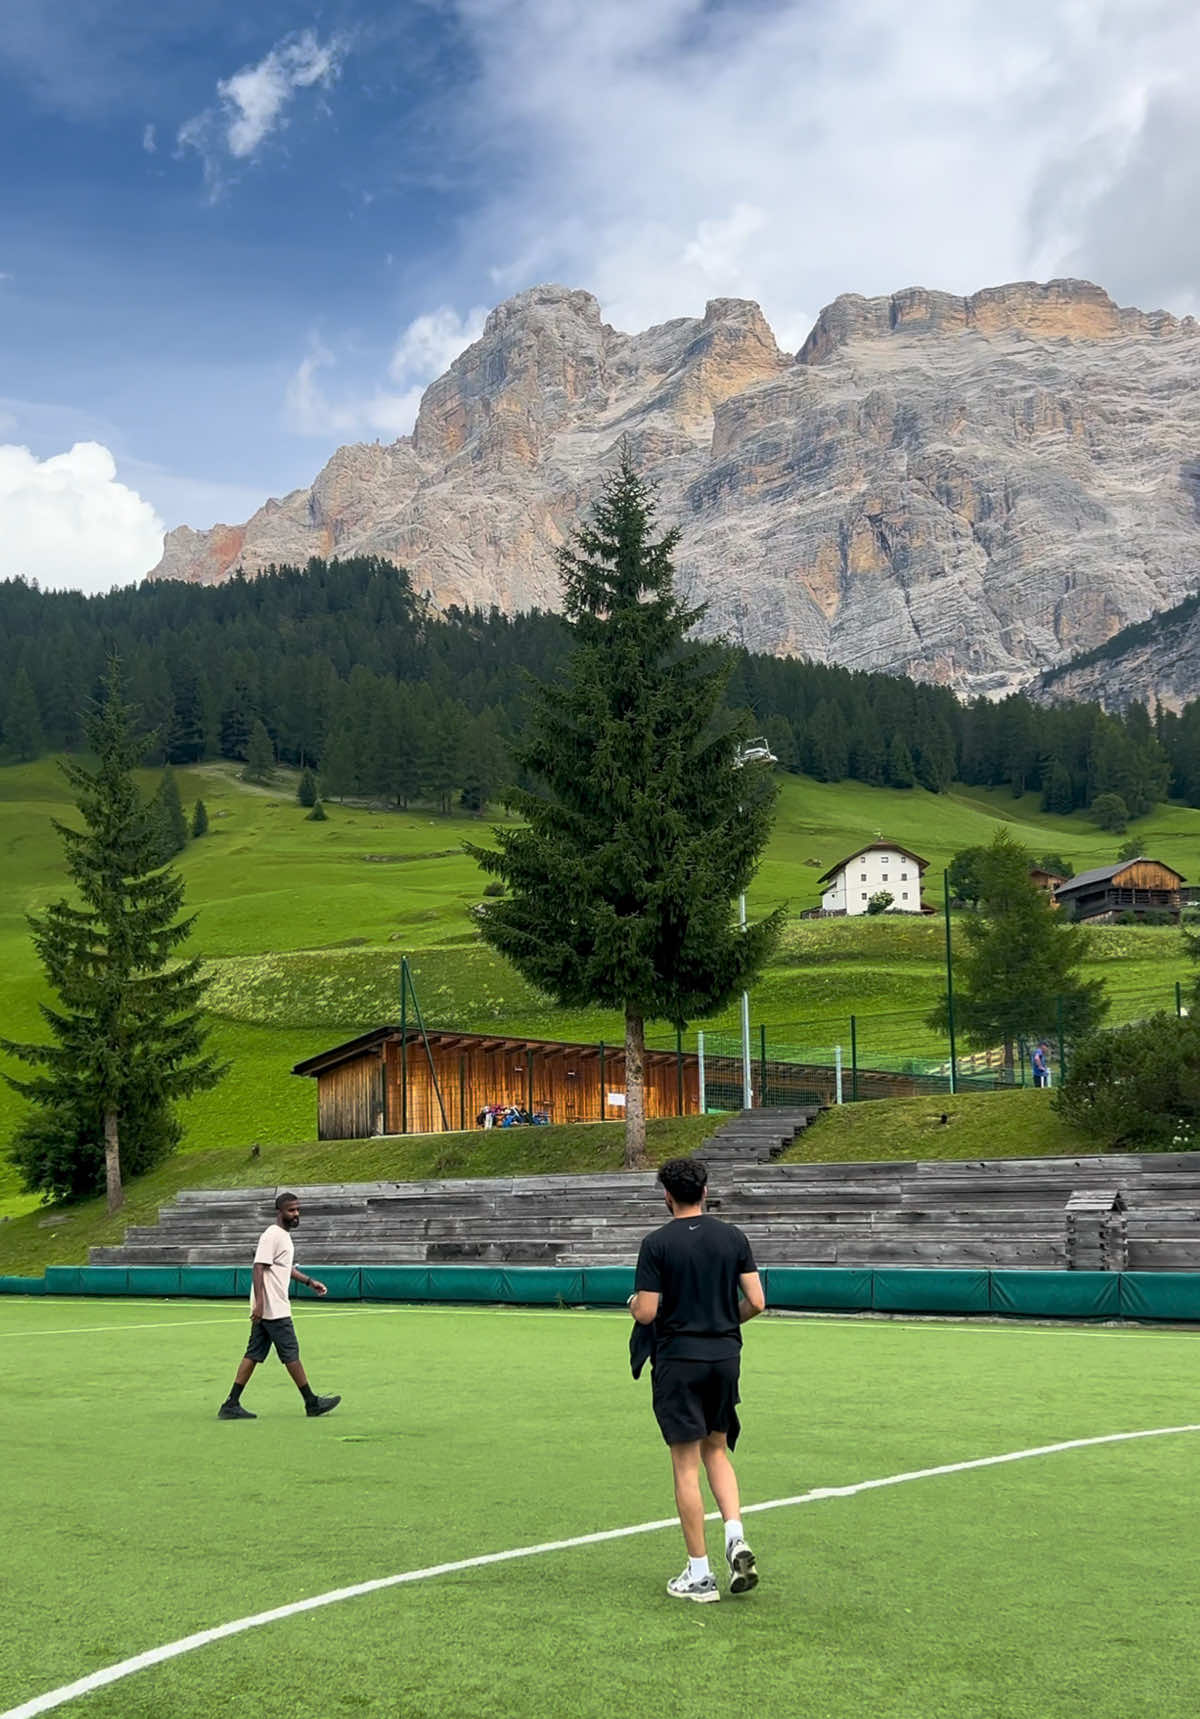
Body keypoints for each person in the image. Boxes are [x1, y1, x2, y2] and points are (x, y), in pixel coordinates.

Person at [630, 1156, 766, 1603]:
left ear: (666, 1196)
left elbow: (647, 1312)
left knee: (685, 1464)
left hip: (679, 1359)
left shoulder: (656, 1244)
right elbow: (757, 1302)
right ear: (705, 1192)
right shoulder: (733, 1237)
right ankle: (736, 1535)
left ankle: (700, 1573)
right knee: (717, 1449)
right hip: (725, 1356)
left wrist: (633, 1303)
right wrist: (726, 1321)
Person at [217, 1192, 341, 1420]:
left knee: (253, 1354)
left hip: (270, 1308)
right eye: (291, 1210)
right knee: (290, 1353)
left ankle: (231, 1403)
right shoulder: (272, 1235)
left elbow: (284, 1268)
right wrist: (260, 1304)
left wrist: (309, 1282)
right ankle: (311, 1402)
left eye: (297, 1210)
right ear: (280, 1212)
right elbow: (258, 1267)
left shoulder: (283, 1236)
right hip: (273, 1309)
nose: (296, 1214)